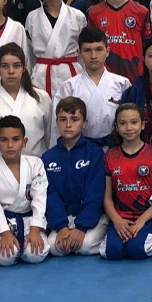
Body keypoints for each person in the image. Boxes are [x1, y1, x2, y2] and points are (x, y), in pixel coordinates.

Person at [0, 44, 52, 193]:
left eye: (16, 66)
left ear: (24, 67)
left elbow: (51, 137)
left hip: (37, 173)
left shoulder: (41, 98)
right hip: (0, 177)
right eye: (5, 66)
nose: (11, 71)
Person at [101, 103, 152, 260]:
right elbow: (107, 197)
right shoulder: (110, 156)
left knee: (137, 250)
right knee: (112, 252)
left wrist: (142, 220)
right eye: (123, 123)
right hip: (121, 217)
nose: (129, 128)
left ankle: (151, 236)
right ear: (116, 127)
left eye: (134, 122)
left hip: (147, 217)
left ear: (142, 125)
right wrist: (117, 221)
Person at [42, 97, 108, 257]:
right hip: (63, 218)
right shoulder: (48, 158)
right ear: (56, 122)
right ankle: (67, 233)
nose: (68, 125)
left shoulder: (94, 153)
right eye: (63, 119)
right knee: (53, 247)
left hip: (92, 217)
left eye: (74, 119)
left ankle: (102, 234)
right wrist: (61, 227)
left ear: (84, 122)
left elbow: (95, 192)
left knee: (85, 246)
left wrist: (81, 227)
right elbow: (50, 195)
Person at [0, 115, 49, 265]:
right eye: (4, 140)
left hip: (30, 221)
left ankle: (29, 239)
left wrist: (35, 230)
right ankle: (7, 239)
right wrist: (5, 232)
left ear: (24, 142)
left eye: (16, 139)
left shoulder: (35, 164)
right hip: (3, 223)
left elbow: (40, 198)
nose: (10, 145)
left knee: (36, 255)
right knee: (6, 257)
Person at [53, 27, 131, 143]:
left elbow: (132, 119)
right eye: (87, 50)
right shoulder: (69, 87)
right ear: (79, 53)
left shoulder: (122, 84)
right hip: (79, 148)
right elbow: (58, 127)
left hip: (115, 147)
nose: (93, 56)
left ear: (107, 51)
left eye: (99, 49)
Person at [87, 0, 152, 81]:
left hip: (135, 78)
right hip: (104, 78)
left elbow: (148, 46)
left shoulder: (141, 11)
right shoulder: (94, 13)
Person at [26, 0, 86, 98]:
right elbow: (29, 54)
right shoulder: (32, 17)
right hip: (42, 76)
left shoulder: (77, 16)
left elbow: (83, 52)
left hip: (71, 73)